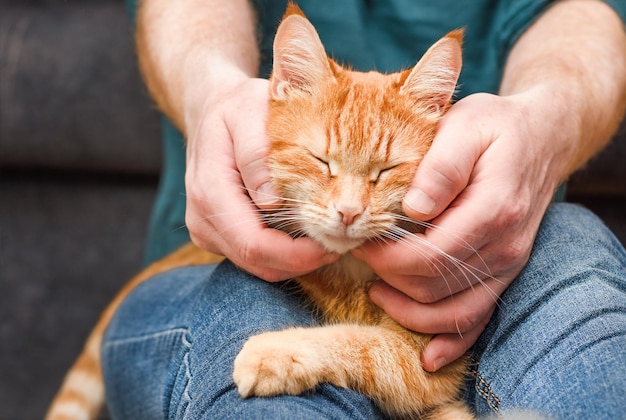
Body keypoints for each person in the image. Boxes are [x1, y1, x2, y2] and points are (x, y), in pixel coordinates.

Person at [103, 0, 626, 418]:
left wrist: (546, 121)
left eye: (383, 173)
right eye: (323, 163)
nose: (350, 208)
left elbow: (588, 13)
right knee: (256, 328)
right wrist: (210, 90)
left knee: (572, 247)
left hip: (494, 257)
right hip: (215, 267)